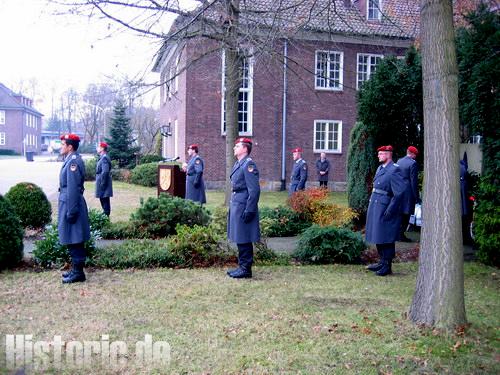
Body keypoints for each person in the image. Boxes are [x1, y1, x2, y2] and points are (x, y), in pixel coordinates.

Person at [365, 145, 405, 276]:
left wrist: (390, 209)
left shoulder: (394, 170)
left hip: (386, 206)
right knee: (378, 235)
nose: (378, 155)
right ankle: (382, 262)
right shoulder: (380, 168)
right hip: (376, 204)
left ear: (388, 154)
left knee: (386, 237)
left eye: (381, 153)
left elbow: (399, 193)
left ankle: (387, 265)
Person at [58, 134, 91, 284]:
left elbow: (72, 188)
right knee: (72, 237)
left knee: (75, 237)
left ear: (70, 147)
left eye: (63, 144)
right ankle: (76, 270)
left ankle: (78, 272)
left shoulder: (73, 162)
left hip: (72, 204)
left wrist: (71, 211)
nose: (61, 146)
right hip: (69, 202)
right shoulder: (70, 159)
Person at [226, 137, 260, 279]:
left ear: (245, 148)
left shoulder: (248, 164)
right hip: (237, 203)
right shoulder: (239, 164)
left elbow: (254, 190)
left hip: (244, 204)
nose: (234, 148)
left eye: (237, 146)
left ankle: (245, 269)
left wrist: (250, 209)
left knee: (244, 237)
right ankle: (242, 266)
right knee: (240, 236)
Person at [396, 146, 420, 242]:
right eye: (415, 155)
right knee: (407, 213)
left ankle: (397, 234)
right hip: (408, 192)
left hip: (398, 190)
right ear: (413, 154)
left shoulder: (399, 161)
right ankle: (401, 235)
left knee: (399, 213)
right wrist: (416, 196)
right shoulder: (413, 163)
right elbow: (414, 181)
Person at [95, 142, 113, 216]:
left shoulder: (104, 158)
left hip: (103, 184)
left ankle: (106, 219)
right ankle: (105, 218)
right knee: (103, 201)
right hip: (102, 183)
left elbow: (105, 172)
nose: (97, 148)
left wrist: (102, 184)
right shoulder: (103, 157)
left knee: (105, 202)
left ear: (102, 148)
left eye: (98, 147)